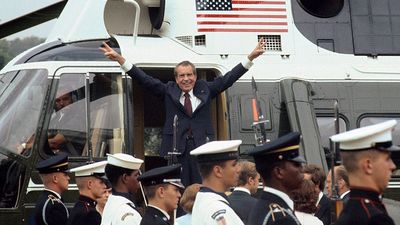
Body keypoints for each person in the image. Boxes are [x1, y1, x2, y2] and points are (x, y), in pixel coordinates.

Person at [100, 39, 265, 186]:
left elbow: (229, 78)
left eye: (189, 75)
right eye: (182, 76)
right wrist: (120, 60)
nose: (186, 79)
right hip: (177, 149)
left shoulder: (205, 89)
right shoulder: (168, 90)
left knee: (203, 186)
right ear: (176, 78)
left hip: (202, 148)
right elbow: (144, 79)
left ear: (195, 76)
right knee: (178, 187)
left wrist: (250, 58)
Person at [331, 120, 398, 225]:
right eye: (387, 159)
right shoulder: (375, 219)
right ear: (368, 165)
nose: (392, 166)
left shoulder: (349, 211)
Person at [247, 132, 304, 225]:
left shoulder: (264, 207)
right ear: (278, 172)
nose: (302, 169)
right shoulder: (280, 219)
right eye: (297, 165)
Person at [190, 140, 244, 225]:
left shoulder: (205, 201)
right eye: (234, 165)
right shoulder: (218, 210)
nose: (239, 169)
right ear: (218, 171)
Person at [101, 153, 144, 225]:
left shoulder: (111, 204)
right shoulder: (127, 214)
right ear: (125, 178)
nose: (139, 179)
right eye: (136, 175)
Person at [33, 153, 70, 225]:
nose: (68, 178)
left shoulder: (43, 200)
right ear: (55, 179)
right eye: (65, 175)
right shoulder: (55, 206)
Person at [68, 161, 108, 225]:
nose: (105, 186)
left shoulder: (78, 207)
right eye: (101, 182)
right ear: (90, 184)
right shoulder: (91, 214)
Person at [48, 88, 86, 156]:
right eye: (58, 100)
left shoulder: (78, 118)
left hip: (72, 159)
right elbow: (46, 134)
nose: (62, 103)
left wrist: (27, 146)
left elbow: (55, 142)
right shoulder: (57, 118)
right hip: (59, 154)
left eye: (65, 99)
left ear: (73, 99)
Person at [228, 160, 259, 224]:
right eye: (258, 179)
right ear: (251, 180)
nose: (258, 183)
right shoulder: (257, 206)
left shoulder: (224, 202)